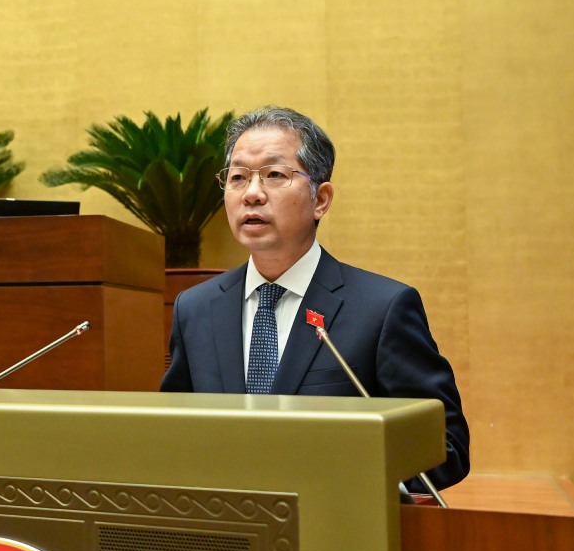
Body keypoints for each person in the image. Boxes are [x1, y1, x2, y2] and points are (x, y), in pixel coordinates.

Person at [160, 105, 470, 491]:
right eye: (238, 177)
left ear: (320, 199)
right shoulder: (196, 308)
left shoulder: (382, 309)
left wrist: (345, 482)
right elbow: (173, 436)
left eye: (274, 175)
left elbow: (446, 446)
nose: (252, 194)